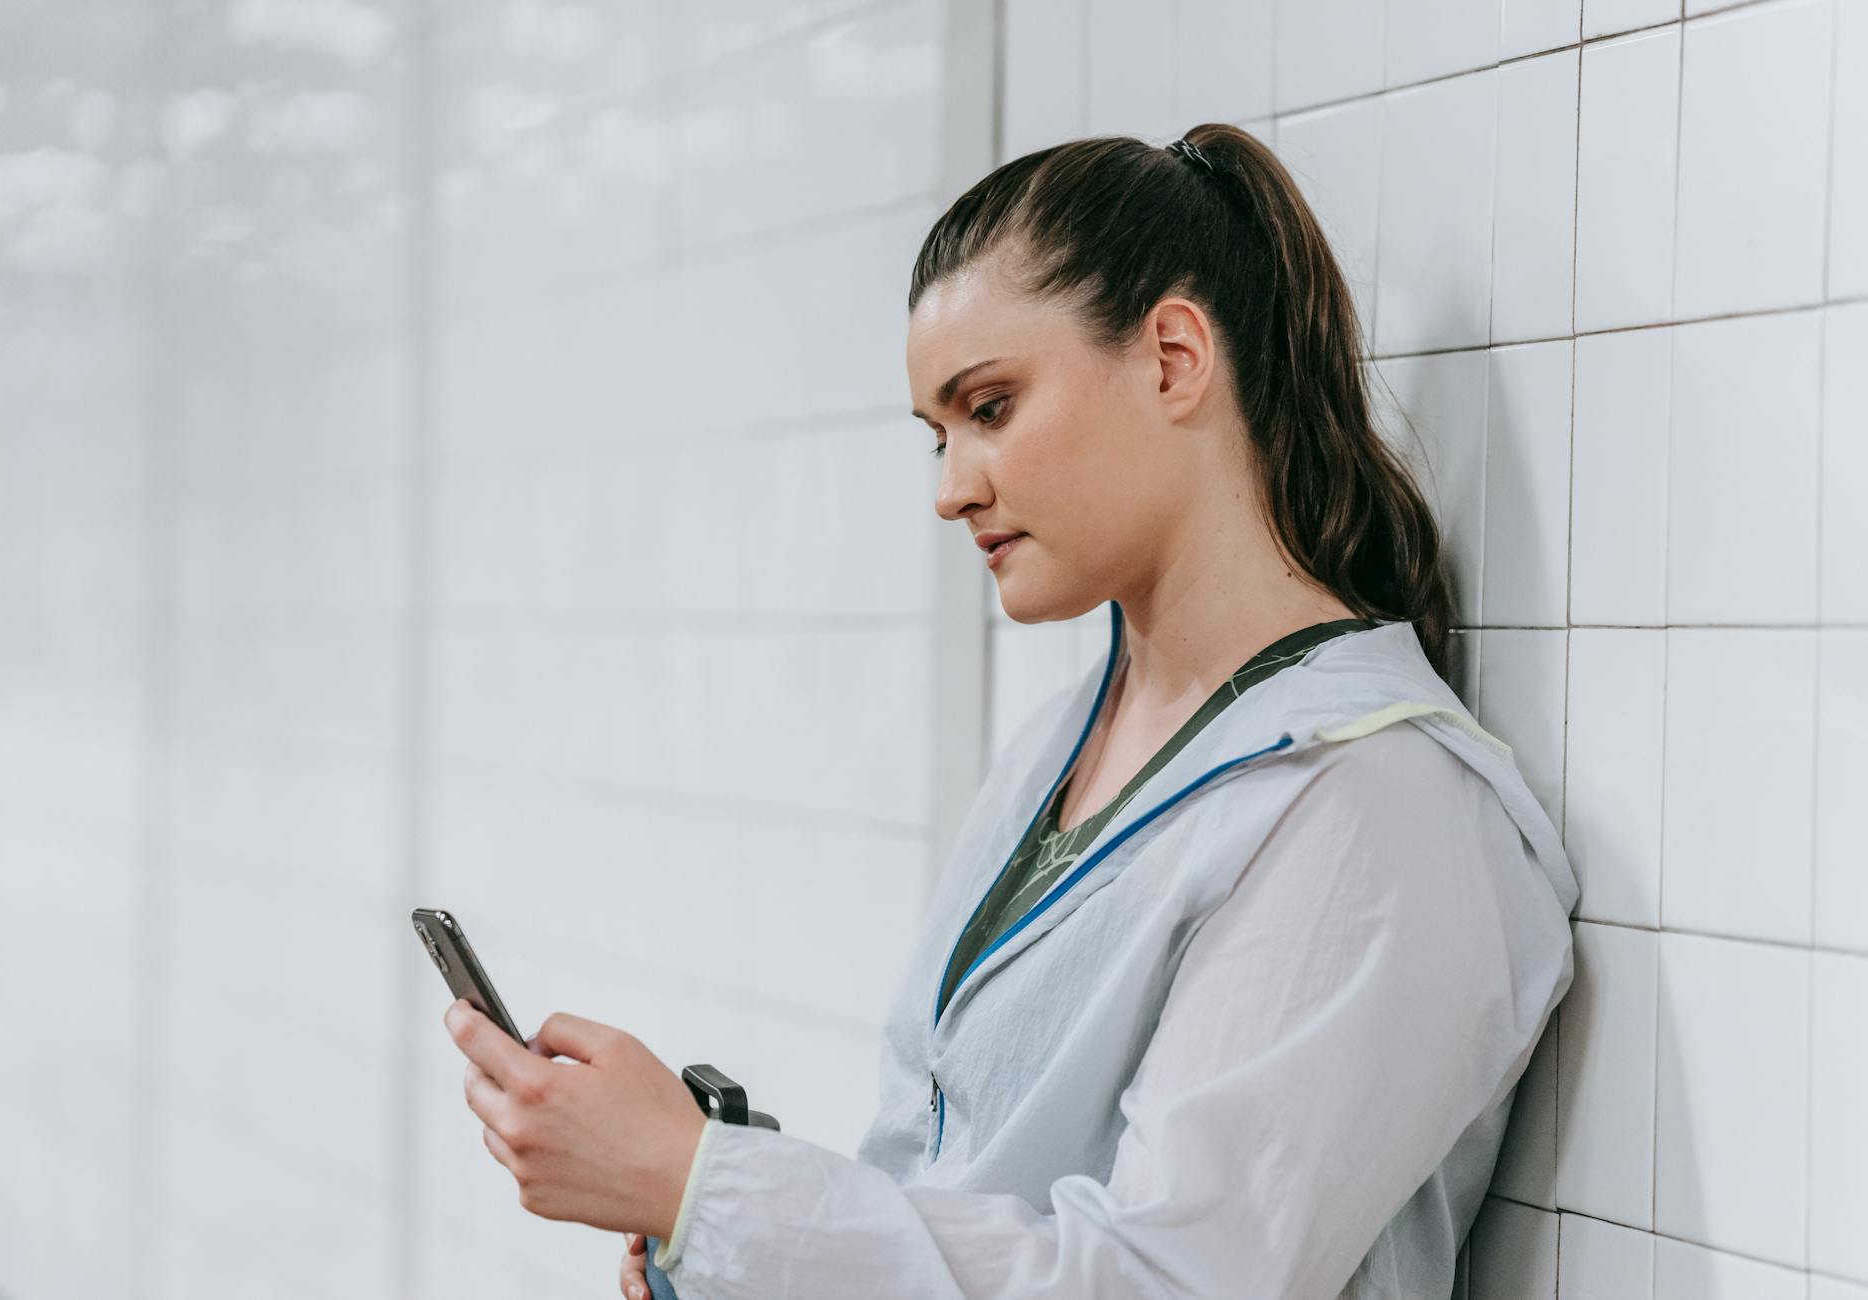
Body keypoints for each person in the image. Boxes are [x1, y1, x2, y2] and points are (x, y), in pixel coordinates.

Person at [605, 124, 1575, 1299]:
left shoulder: (1379, 803)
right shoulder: (1058, 749)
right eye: (939, 434)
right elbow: (951, 1190)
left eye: (993, 407)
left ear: (1173, 357)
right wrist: (717, 1240)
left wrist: (704, 1187)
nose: (952, 487)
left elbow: (1174, 1281)